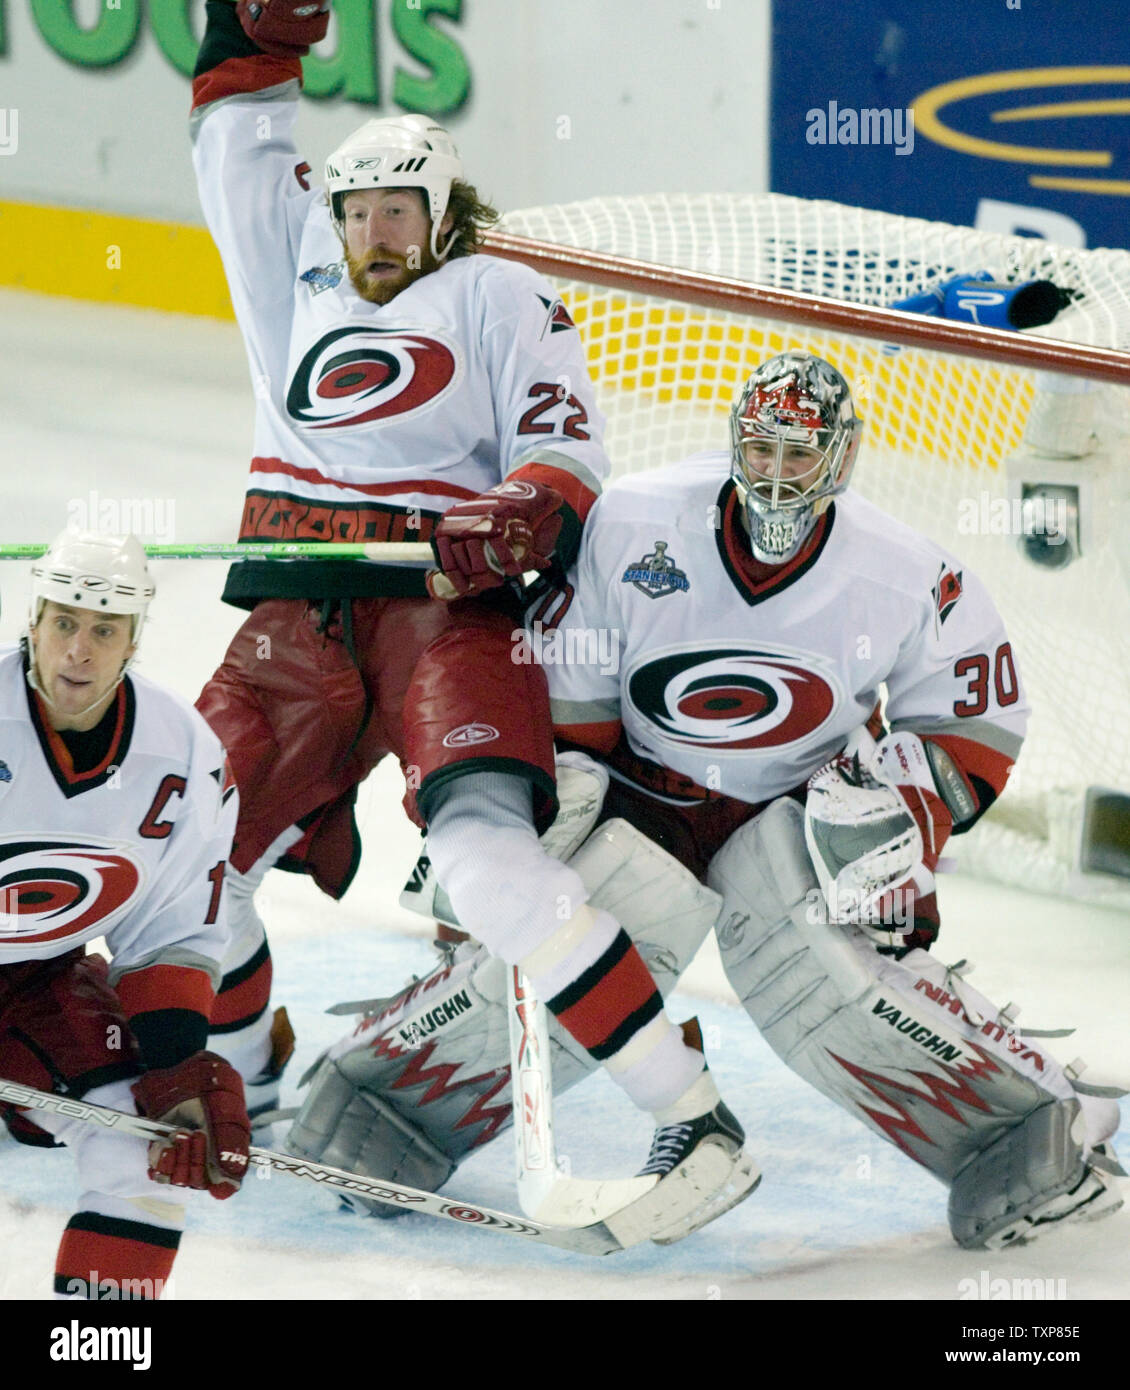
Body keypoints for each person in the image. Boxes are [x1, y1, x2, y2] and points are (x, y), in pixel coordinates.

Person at [302, 352, 1123, 1249]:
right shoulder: (635, 522)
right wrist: (531, 847)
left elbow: (980, 719)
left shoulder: (905, 571)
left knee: (819, 974)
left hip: (797, 812)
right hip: (639, 793)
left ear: (840, 460)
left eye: (797, 456)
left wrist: (903, 807)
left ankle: (1036, 1123)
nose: (774, 474)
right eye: (761, 450)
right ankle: (387, 1101)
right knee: (565, 938)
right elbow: (573, 711)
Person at [188, 0, 753, 1235]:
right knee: (190, 852)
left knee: (492, 867)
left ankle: (689, 1109)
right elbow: (232, 124)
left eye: (398, 211)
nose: (372, 233)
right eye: (355, 211)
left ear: (444, 216)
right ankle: (244, 1073)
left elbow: (565, 450)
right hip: (301, 607)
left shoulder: (501, 294)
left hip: (451, 617)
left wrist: (516, 516)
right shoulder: (290, 275)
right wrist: (247, 28)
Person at [0, 530, 249, 1300]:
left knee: (144, 1158)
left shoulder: (183, 755)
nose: (79, 649)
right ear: (33, 622)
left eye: (104, 629)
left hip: (37, 982)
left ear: (134, 638)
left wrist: (177, 1075)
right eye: (64, 622)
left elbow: (170, 932)